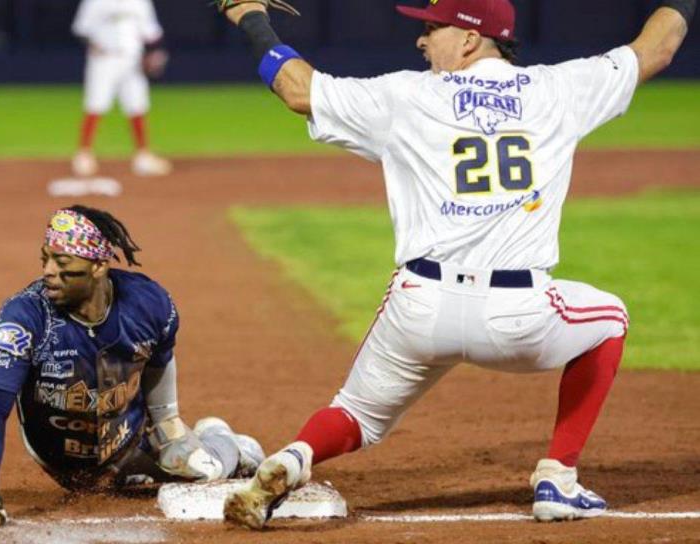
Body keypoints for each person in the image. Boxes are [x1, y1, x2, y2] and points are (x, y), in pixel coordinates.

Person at [215, 0, 695, 529]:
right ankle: (559, 478)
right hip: (519, 319)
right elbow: (659, 47)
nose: (421, 41)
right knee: (610, 317)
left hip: (420, 309)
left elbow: (297, 89)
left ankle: (294, 458)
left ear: (470, 39)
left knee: (356, 412)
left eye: (432, 28)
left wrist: (250, 17)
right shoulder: (561, 89)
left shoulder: (405, 96)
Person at [0, 206, 264, 528]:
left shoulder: (147, 303)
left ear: (97, 266)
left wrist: (167, 422)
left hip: (128, 442)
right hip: (62, 460)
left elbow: (159, 358)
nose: (49, 272)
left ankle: (223, 439)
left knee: (201, 467)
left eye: (62, 263)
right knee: (132, 478)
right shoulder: (24, 318)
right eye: (45, 259)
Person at [71, 0, 173, 177]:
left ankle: (143, 156)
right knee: (95, 104)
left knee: (137, 105)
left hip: (133, 59)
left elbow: (151, 32)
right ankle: (84, 154)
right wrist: (93, 45)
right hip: (104, 59)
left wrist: (154, 53)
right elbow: (81, 28)